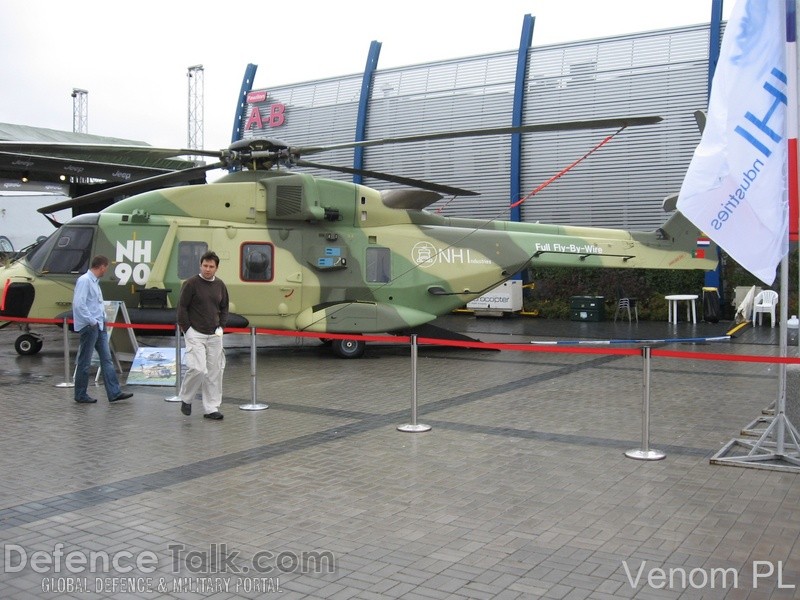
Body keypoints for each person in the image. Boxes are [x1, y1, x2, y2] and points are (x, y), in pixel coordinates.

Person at [73, 255, 134, 404]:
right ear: (101, 266)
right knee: (85, 361)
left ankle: (114, 392)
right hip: (90, 326)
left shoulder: (95, 282)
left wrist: (103, 317)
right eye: (106, 268)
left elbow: (96, 303)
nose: (106, 271)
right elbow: (79, 304)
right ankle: (80, 394)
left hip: (99, 325)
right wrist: (92, 321)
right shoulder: (85, 281)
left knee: (106, 359)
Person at [177, 250, 229, 420]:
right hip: (195, 333)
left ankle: (211, 408)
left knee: (215, 371)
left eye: (211, 266)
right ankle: (186, 398)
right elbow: (182, 307)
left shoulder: (220, 285)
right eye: (205, 266)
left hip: (214, 334)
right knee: (198, 368)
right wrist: (187, 329)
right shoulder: (191, 284)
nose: (208, 269)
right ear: (200, 265)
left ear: (216, 268)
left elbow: (224, 306)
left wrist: (221, 326)